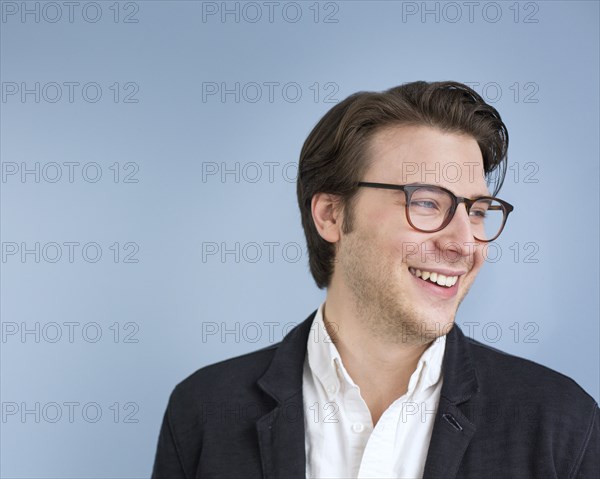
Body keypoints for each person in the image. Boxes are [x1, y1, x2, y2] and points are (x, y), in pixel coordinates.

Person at [151, 81, 599, 478]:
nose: (465, 243)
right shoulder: (204, 411)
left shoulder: (561, 422)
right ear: (331, 214)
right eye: (426, 202)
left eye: (478, 211)